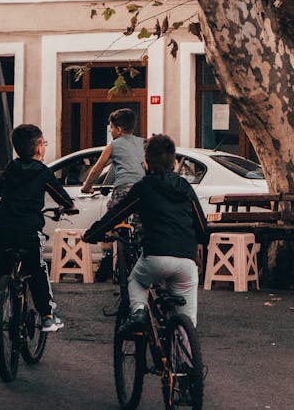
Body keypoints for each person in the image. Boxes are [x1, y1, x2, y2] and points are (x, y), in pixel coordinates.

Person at [82, 133, 208, 331]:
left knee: (137, 281)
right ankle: (188, 358)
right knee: (187, 320)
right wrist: (199, 244)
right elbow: (201, 223)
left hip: (156, 256)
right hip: (186, 260)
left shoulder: (143, 188)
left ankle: (139, 312)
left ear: (146, 163)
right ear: (174, 162)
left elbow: (116, 214)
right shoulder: (184, 186)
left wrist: (92, 234)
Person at [0, 123, 76, 332]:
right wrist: (68, 207)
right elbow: (63, 198)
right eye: (44, 143)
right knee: (36, 269)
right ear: (39, 146)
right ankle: (47, 315)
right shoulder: (42, 172)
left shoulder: (10, 168)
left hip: (2, 227)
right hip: (28, 230)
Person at [81, 107, 145, 282]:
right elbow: (146, 166)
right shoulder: (142, 143)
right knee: (142, 225)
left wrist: (86, 187)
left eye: (110, 127)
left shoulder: (113, 145)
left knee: (110, 218)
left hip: (123, 189)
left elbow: (98, 168)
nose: (110, 131)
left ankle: (107, 257)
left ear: (118, 128)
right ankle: (142, 255)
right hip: (142, 190)